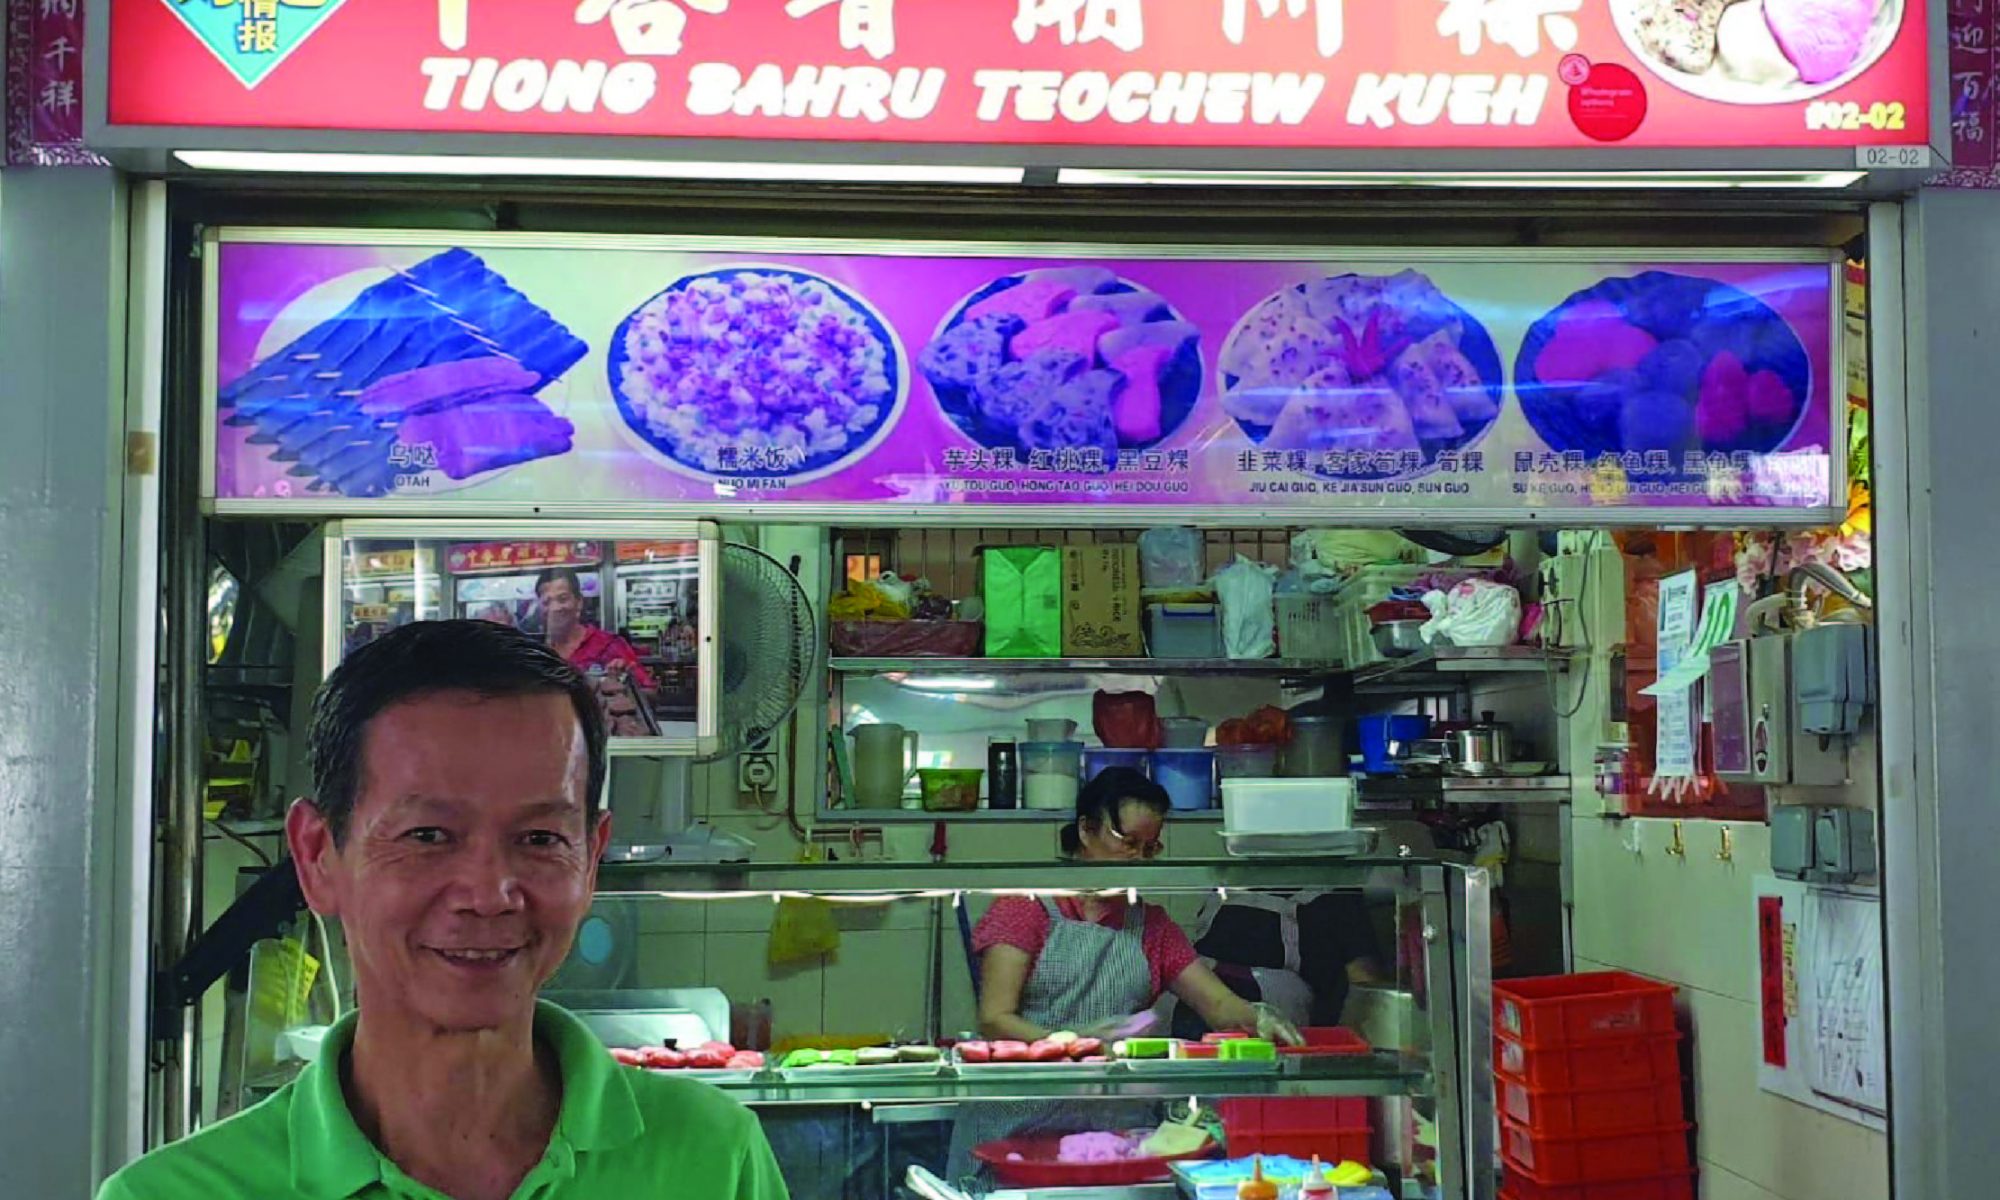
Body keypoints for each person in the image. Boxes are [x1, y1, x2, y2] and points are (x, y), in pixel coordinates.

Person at [98, 621, 788, 1200]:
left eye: (540, 838)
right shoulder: (173, 1194)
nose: (489, 894)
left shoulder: (714, 1160)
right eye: (428, 836)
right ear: (317, 856)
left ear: (591, 856)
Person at [944, 767, 1302, 1183]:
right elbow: (995, 1017)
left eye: (1148, 848)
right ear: (1085, 830)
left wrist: (1257, 1015)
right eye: (1126, 842)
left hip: (1113, 1140)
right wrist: (1075, 1048)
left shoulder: (1153, 927)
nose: (1136, 858)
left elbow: (1218, 1004)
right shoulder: (1024, 908)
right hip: (1015, 1134)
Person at [534, 567, 653, 736]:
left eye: (563, 599)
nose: (555, 607)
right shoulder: (536, 654)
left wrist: (625, 684)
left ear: (579, 602)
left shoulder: (610, 645)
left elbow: (650, 696)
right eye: (547, 602)